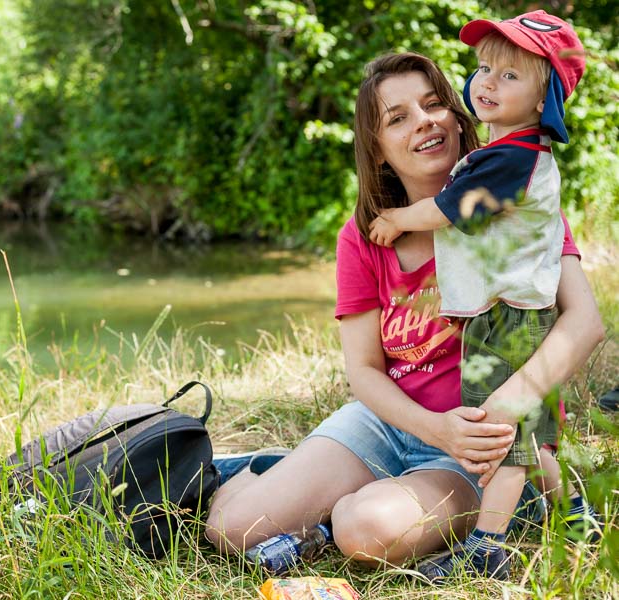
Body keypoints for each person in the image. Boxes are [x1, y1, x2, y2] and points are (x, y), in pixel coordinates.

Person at [204, 50, 604, 583]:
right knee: (233, 529)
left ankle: (341, 504)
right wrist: (432, 428)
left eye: (434, 104)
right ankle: (259, 470)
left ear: (458, 116)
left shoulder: (518, 205)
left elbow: (583, 323)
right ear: (379, 150)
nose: (424, 122)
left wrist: (506, 412)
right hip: (390, 423)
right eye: (398, 118)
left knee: (364, 529)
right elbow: (364, 369)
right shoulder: (366, 233)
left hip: (475, 445)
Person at [365, 11, 598, 581]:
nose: (487, 82)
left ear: (546, 99)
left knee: (503, 431)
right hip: (514, 312)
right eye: (482, 68)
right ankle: (577, 514)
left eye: (510, 76)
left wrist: (397, 218)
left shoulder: (511, 159)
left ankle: (487, 543)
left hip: (511, 317)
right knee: (533, 434)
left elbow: (451, 210)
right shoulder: (508, 153)